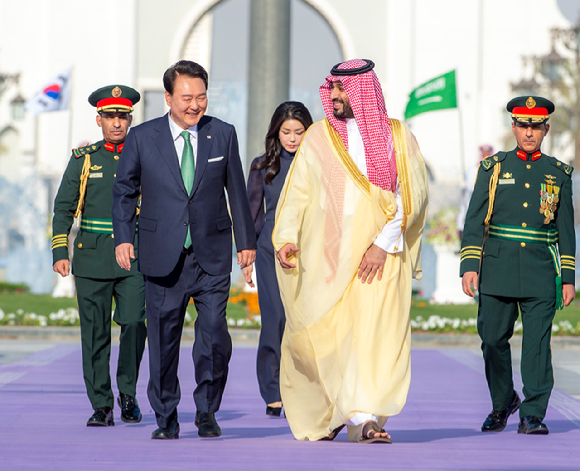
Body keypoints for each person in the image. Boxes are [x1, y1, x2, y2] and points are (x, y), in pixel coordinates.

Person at [272, 59, 429, 443]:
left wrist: (380, 245)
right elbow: (299, 193)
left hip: (382, 259)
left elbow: (411, 198)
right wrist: (287, 237)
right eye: (333, 89)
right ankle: (340, 413)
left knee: (375, 338)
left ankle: (365, 418)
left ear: (362, 91)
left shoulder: (397, 136)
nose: (336, 96)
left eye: (343, 89)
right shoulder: (319, 137)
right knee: (323, 338)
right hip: (330, 257)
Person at [112, 60, 256, 440]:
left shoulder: (221, 134)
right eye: (187, 97)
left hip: (211, 255)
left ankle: (207, 411)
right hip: (162, 255)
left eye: (202, 97)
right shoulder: (143, 137)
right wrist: (124, 237)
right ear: (169, 97)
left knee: (213, 338)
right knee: (163, 339)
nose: (195, 105)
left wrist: (247, 243)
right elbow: (124, 190)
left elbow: (236, 192)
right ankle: (166, 415)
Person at [460, 96, 576, 435]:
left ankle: (532, 413)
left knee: (537, 345)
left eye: (536, 127)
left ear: (546, 130)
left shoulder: (559, 174)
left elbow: (565, 231)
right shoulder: (493, 169)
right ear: (513, 127)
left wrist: (567, 277)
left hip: (541, 269)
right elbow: (473, 222)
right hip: (497, 267)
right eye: (523, 125)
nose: (529, 132)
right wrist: (470, 264)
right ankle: (502, 402)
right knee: (492, 339)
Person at [52, 85, 146, 427]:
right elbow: (63, 208)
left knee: (135, 322)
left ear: (130, 119)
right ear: (99, 120)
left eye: (122, 117)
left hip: (132, 254)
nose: (116, 123)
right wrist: (60, 250)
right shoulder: (84, 159)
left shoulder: (143, 156)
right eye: (110, 117)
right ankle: (102, 404)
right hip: (91, 255)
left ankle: (128, 393)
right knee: (94, 333)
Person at [243, 101, 313, 417]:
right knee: (275, 320)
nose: (293, 138)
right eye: (286, 131)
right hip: (270, 250)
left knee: (305, 322)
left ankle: (304, 387)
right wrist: (246, 255)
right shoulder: (262, 166)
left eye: (299, 132)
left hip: (310, 250)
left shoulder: (319, 166)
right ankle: (273, 391)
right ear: (276, 132)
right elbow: (251, 214)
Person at [456, 144, 494, 240]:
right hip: (474, 208)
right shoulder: (472, 171)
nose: (486, 157)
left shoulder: (496, 169)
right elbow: (465, 193)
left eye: (488, 154)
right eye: (484, 154)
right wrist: (463, 185)